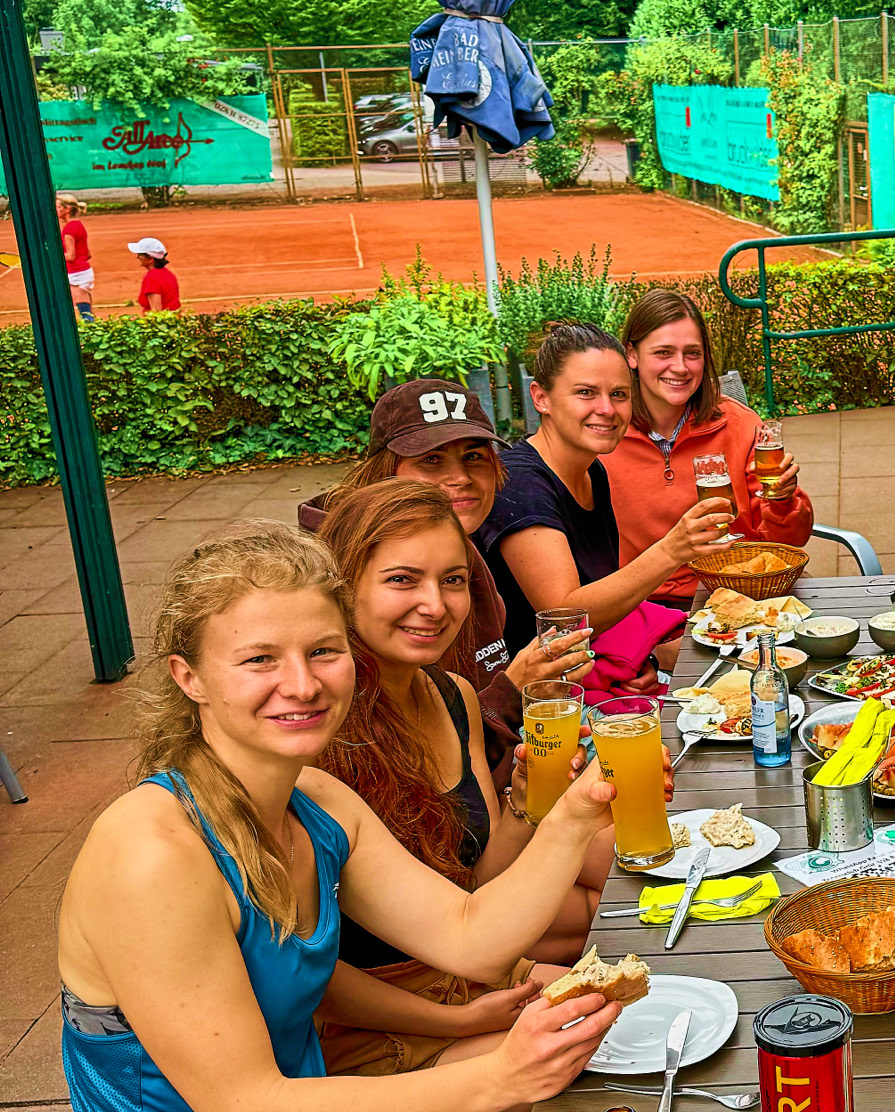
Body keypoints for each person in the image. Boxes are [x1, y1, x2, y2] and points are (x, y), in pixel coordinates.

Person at [57, 524, 624, 1112]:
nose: (302, 682)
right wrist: (500, 1077)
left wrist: (575, 816)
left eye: (323, 651)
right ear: (188, 677)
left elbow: (470, 936)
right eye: (260, 659)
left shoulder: (312, 797)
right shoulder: (150, 854)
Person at [313, 481, 628, 1075]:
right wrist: (459, 1022)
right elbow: (310, 976)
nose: (435, 605)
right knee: (589, 1082)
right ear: (342, 588)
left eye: (453, 580)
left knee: (647, 1017)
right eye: (402, 580)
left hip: (470, 978)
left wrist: (527, 806)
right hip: (381, 1026)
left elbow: (478, 887)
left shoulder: (453, 695)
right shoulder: (317, 737)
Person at [299, 376, 586, 787]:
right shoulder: (331, 585)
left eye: (474, 456)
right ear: (383, 472)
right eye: (431, 460)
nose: (460, 478)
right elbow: (418, 763)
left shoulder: (463, 545)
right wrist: (512, 689)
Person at [475, 321, 732, 655]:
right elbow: (564, 615)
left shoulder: (592, 471)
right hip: (536, 684)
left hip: (590, 663)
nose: (607, 410)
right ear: (541, 398)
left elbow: (599, 601)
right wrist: (672, 550)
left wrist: (643, 657)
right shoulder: (519, 484)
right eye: (586, 392)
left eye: (619, 394)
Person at [601, 286, 815, 610]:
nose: (681, 367)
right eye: (663, 353)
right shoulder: (603, 435)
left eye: (692, 353)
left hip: (741, 593)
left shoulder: (739, 424)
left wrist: (784, 501)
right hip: (642, 607)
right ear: (632, 354)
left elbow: (788, 543)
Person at [58, 194, 93, 323]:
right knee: (86, 310)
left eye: (58, 207)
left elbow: (71, 256)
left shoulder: (68, 229)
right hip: (84, 271)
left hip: (76, 273)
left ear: (67, 209)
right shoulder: (78, 225)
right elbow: (87, 254)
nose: (56, 210)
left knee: (85, 314)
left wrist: (53, 256)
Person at [129, 236, 179, 313]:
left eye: (140, 255)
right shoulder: (169, 274)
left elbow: (156, 312)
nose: (138, 257)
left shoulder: (152, 278)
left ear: (151, 259)